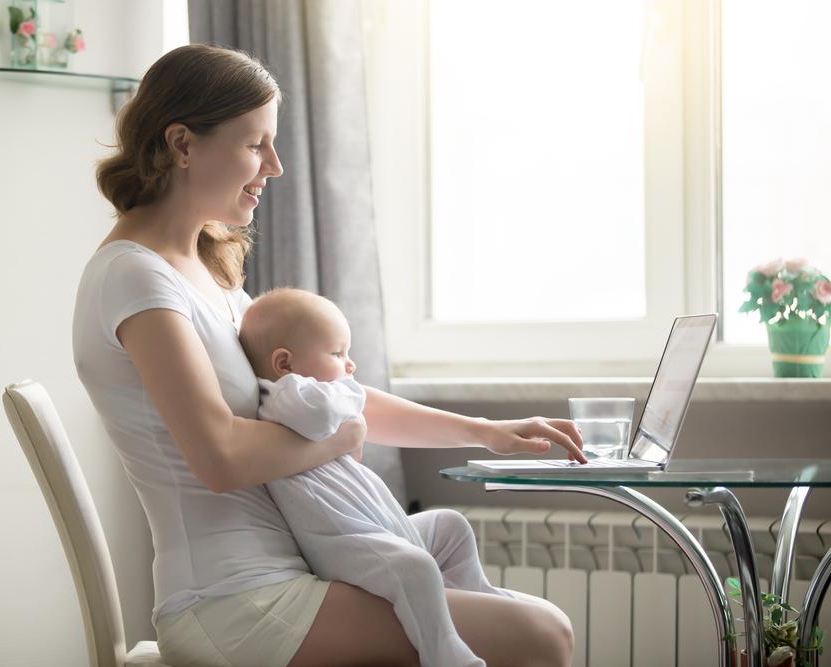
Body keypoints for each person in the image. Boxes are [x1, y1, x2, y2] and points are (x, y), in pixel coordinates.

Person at [73, 43, 584, 667]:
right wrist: (340, 441)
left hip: (288, 574)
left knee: (516, 610)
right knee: (542, 635)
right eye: (255, 143)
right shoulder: (136, 278)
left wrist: (485, 432)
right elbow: (221, 456)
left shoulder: (207, 273)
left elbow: (321, 395)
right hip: (229, 602)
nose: (276, 165)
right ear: (183, 144)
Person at [240, 286, 527, 667]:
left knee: (450, 525)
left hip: (374, 527)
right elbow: (322, 414)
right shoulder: (283, 398)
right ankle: (444, 652)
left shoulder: (315, 395)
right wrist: (353, 399)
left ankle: (476, 595)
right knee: (415, 567)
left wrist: (348, 397)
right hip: (340, 541)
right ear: (284, 364)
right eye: (337, 353)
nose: (350, 367)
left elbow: (339, 411)